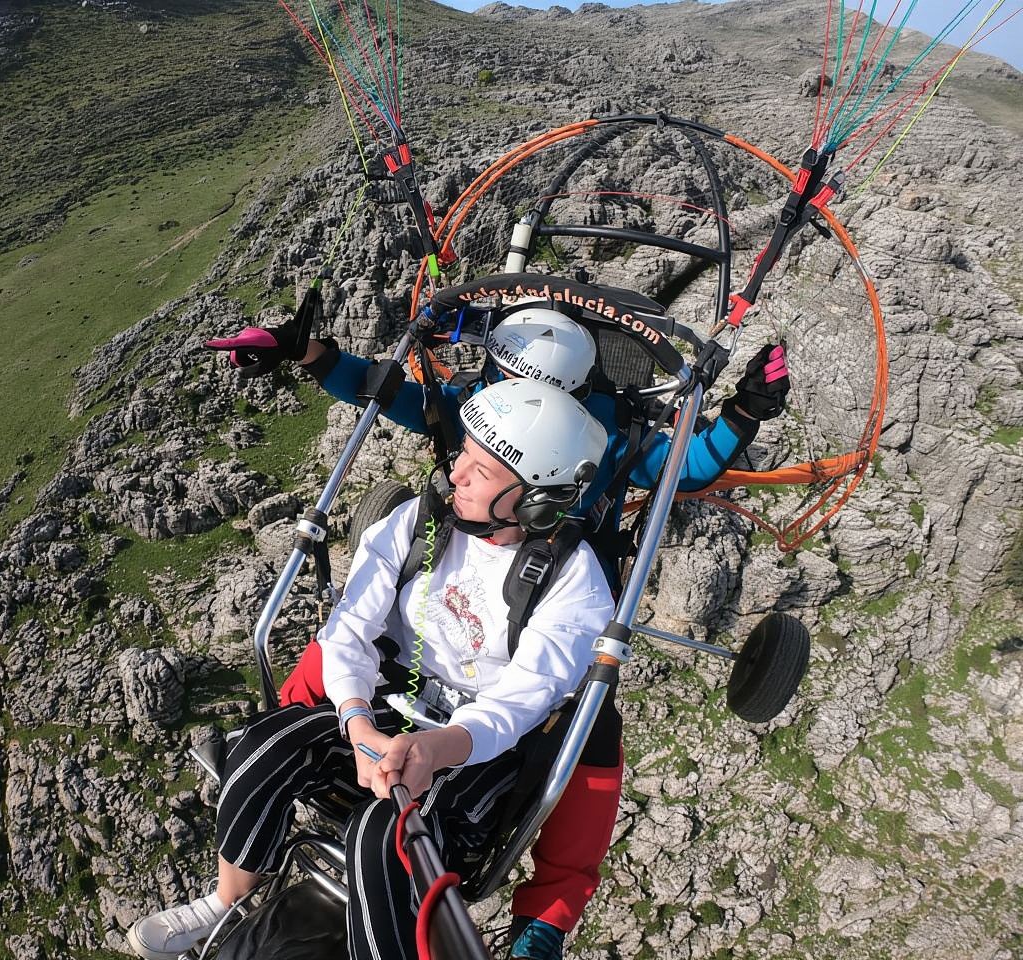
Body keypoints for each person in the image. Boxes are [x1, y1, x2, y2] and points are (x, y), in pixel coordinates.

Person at [204, 303, 791, 959]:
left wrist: (741, 416)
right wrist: (310, 353)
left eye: (501, 374)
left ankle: (547, 916)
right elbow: (392, 393)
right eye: (492, 373)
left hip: (537, 592)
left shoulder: (592, 461)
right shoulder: (480, 425)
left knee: (587, 723)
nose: (487, 385)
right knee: (359, 636)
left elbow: (684, 466)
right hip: (454, 581)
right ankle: (278, 768)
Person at [126, 379, 614, 960]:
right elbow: (350, 630)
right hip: (386, 706)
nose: (455, 473)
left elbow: (518, 706)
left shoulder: (573, 586)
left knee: (384, 835)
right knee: (266, 745)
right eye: (463, 454)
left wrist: (434, 751)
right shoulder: (418, 524)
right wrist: (357, 722)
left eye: (480, 471)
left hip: (473, 749)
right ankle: (225, 903)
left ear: (534, 499)